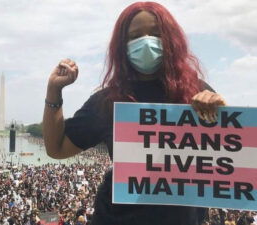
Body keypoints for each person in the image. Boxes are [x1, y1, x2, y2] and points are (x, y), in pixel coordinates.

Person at [43, 2, 226, 225]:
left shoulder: (195, 94)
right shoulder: (108, 102)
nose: (147, 41)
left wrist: (221, 116)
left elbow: (228, 157)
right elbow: (57, 148)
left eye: (156, 33)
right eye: (135, 36)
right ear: (122, 46)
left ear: (171, 40)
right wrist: (54, 90)